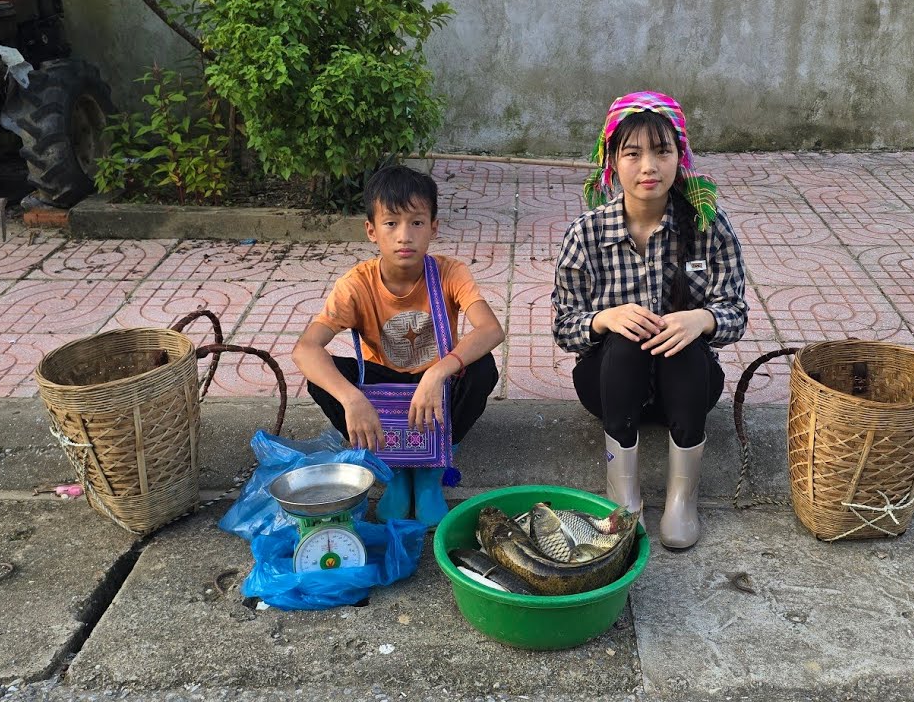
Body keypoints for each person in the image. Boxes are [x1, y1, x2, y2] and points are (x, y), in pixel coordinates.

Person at [552, 91, 748, 550]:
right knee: (627, 339)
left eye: (662, 152)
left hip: (688, 390)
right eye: (633, 153)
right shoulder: (586, 233)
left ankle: (682, 498)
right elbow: (564, 326)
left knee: (679, 337)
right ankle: (624, 495)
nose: (649, 167)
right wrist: (604, 319)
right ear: (611, 162)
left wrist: (701, 319)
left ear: (681, 157)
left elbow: (735, 312)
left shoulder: (708, 226)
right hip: (611, 389)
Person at [294, 165, 505, 528]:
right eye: (391, 223)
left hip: (434, 388)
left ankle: (430, 472)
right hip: (383, 384)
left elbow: (490, 329)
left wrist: (437, 373)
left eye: (417, 222)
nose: (404, 236)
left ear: (433, 227)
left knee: (482, 368)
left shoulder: (449, 272)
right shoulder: (356, 284)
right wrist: (352, 399)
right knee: (322, 377)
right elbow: (305, 349)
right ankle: (391, 468)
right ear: (371, 230)